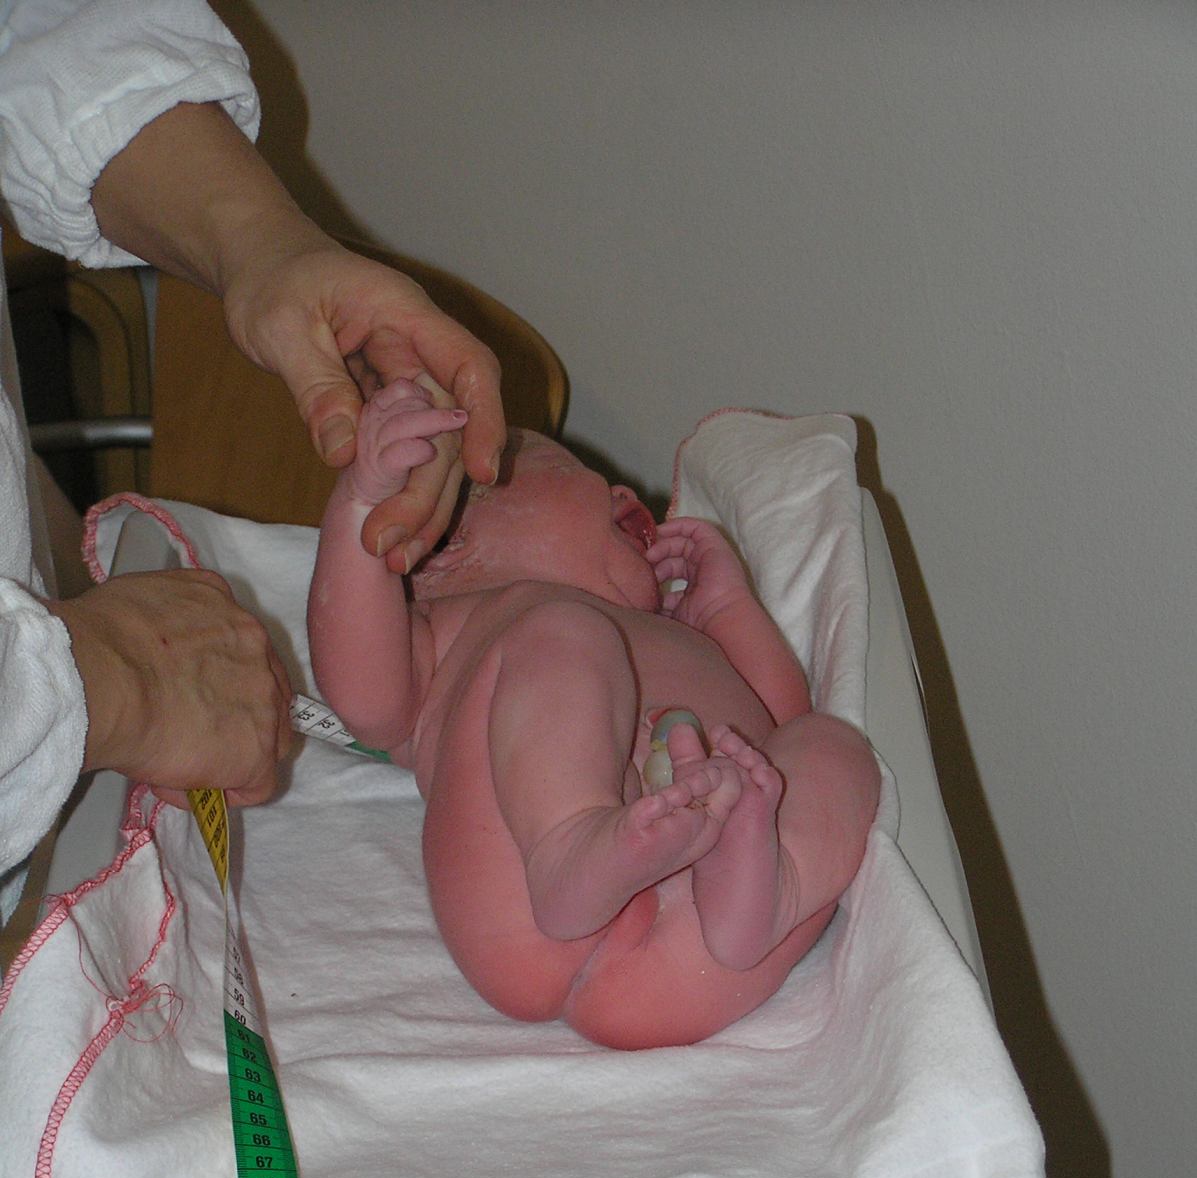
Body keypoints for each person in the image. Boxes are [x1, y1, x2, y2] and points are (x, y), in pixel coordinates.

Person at [0, 0, 505, 931]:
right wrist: (106, 678)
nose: (620, 494)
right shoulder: (492, 636)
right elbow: (376, 703)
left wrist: (264, 247)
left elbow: (37, 24)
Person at [308, 381, 881, 1049]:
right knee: (562, 631)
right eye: (566, 468)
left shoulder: (682, 636)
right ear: (448, 540)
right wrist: (365, 510)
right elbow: (366, 701)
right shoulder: (449, 628)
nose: (621, 491)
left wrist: (730, 611)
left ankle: (770, 890)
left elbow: (778, 725)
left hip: (692, 953)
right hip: (527, 898)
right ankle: (570, 838)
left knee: (832, 743)